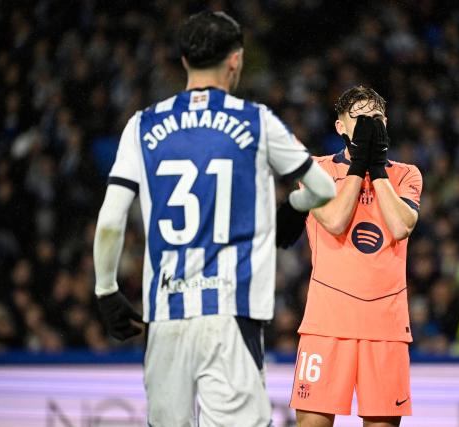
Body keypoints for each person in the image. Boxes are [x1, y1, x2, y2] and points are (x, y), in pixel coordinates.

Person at [92, 11, 335, 427]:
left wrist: (106, 289)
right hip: (231, 313)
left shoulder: (142, 125)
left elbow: (112, 219)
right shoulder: (257, 121)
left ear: (184, 61)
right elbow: (324, 189)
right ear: (236, 60)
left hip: (165, 316)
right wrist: (293, 208)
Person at [278, 86, 422, 427]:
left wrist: (378, 169)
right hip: (327, 324)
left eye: (376, 118)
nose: (369, 125)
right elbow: (335, 220)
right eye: (359, 118)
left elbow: (402, 226)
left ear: (386, 123)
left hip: (385, 327)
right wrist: (360, 165)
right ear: (340, 127)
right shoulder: (316, 169)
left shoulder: (407, 174)